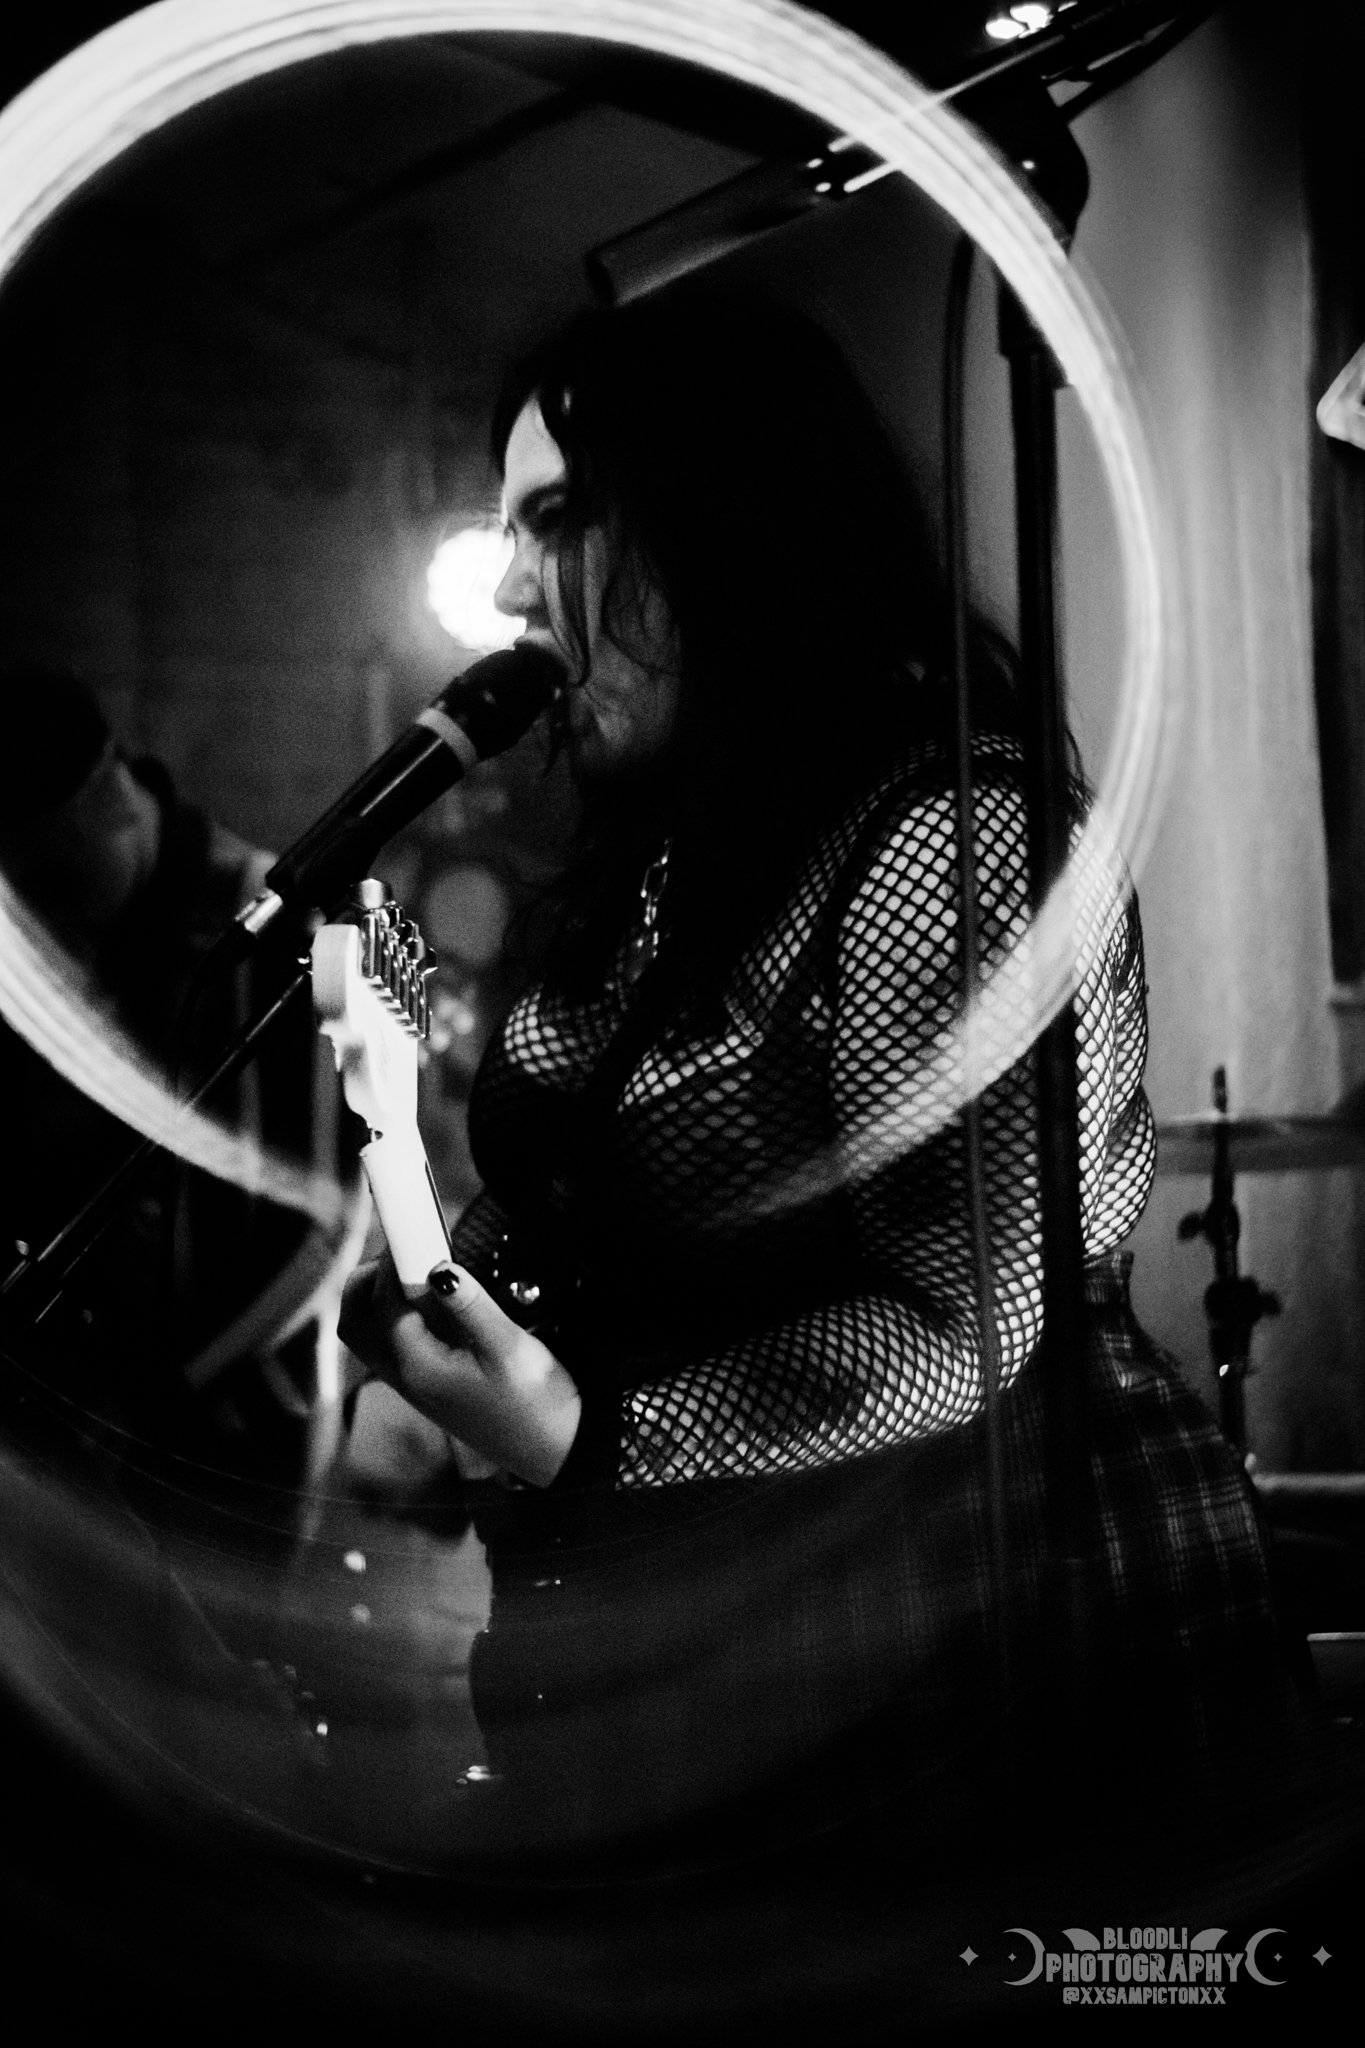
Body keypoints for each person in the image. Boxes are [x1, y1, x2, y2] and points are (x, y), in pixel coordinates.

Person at [339, 292, 1305, 1866]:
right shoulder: (668, 850)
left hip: (971, 1627)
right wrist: (468, 1323)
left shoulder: (952, 835)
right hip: (711, 1636)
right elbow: (650, 1211)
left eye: (561, 519)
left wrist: (587, 1432)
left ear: (731, 523)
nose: (512, 587)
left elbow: (964, 1322)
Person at [0, 665, 352, 1494]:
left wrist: (140, 1399)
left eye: (52, 884)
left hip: (228, 1455)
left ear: (110, 804)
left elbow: (318, 1229)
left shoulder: (290, 935)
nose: (39, 932)